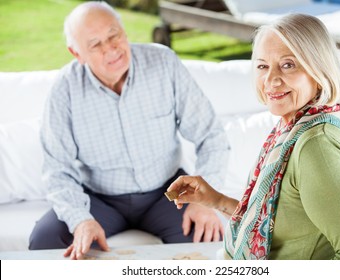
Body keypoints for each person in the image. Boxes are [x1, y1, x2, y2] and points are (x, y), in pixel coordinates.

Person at [167, 13, 340, 260]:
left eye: (288, 64)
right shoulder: (295, 127)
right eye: (262, 66)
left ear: (319, 70)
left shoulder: (317, 145)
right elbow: (274, 227)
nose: (271, 80)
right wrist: (215, 200)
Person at [29, 1, 230, 260]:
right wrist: (80, 220)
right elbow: (57, 169)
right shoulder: (64, 90)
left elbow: (211, 135)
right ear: (76, 53)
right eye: (95, 44)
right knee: (45, 241)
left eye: (114, 35)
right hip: (99, 198)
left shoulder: (163, 63)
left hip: (168, 191)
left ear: (124, 31)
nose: (111, 48)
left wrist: (203, 201)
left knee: (210, 238)